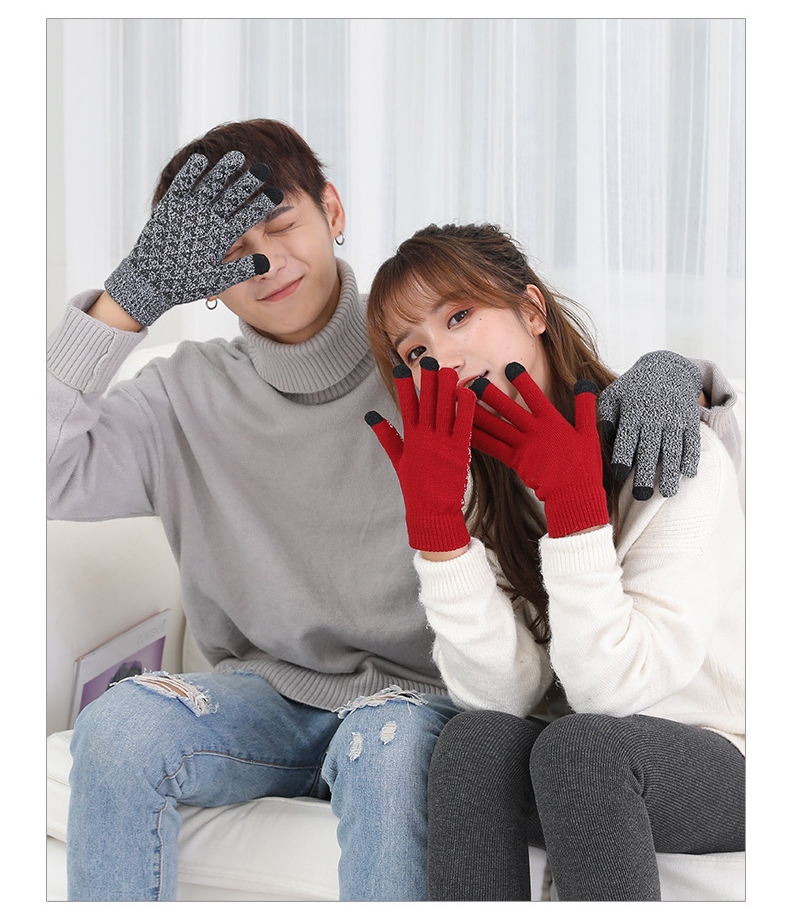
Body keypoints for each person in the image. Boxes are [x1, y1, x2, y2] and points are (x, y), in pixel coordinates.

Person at [47, 119, 737, 902]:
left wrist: (676, 373)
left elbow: (563, 396)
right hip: (267, 697)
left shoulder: (434, 370)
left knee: (396, 743)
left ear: (332, 210)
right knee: (120, 730)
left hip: (428, 696)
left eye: (281, 224)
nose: (266, 260)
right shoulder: (183, 397)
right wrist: (129, 298)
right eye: (229, 251)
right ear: (199, 278)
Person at [363, 222, 744, 901]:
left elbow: (612, 695)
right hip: (579, 755)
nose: (441, 357)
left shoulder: (673, 449)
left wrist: (575, 507)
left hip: (720, 754)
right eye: (415, 350)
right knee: (473, 741)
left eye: (459, 316)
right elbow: (500, 698)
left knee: (582, 748)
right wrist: (439, 531)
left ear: (532, 310)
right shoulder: (480, 489)